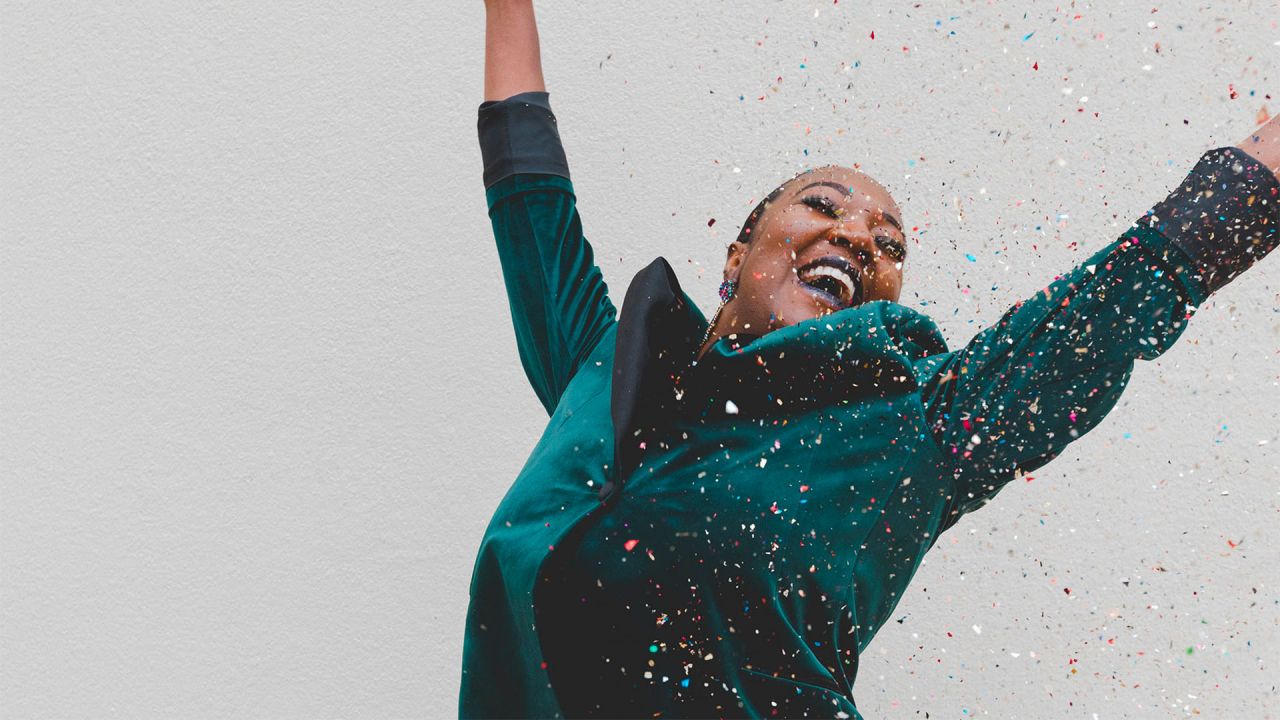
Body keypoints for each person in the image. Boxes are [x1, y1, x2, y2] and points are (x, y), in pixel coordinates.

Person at [460, 1, 1280, 717]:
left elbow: (1107, 307)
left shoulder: (911, 429)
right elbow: (530, 190)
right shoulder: (603, 370)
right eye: (822, 204)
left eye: (889, 245)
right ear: (739, 254)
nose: (856, 236)